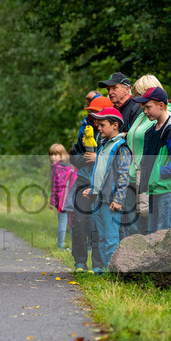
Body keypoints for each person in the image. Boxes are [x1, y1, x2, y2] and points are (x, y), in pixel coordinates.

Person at [121, 74, 171, 236]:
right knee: (132, 226)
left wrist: (158, 172)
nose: (136, 100)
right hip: (132, 174)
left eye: (139, 95)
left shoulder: (164, 116)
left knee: (148, 226)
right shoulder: (142, 115)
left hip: (149, 176)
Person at [82, 107, 132, 273]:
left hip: (110, 201)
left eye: (102, 125)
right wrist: (92, 189)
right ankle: (104, 270)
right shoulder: (103, 146)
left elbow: (124, 175)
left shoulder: (120, 147)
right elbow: (101, 172)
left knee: (111, 239)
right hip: (99, 199)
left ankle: (114, 273)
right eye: (98, 125)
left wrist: (118, 199)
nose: (99, 128)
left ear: (115, 125)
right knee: (101, 238)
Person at [69, 95, 112, 272]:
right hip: (83, 180)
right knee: (79, 222)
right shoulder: (85, 128)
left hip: (102, 184)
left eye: (95, 112)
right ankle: (79, 262)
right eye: (91, 112)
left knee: (97, 224)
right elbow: (73, 156)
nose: (92, 116)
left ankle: (98, 265)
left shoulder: (111, 131)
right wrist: (85, 159)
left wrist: (98, 158)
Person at [135, 87, 171, 234]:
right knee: (153, 232)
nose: (145, 111)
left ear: (161, 105)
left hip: (166, 188)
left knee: (165, 231)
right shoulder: (152, 130)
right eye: (144, 108)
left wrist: (159, 173)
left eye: (148, 107)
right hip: (155, 187)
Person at [49, 143, 75, 249]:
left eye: (56, 155)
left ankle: (60, 246)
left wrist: (53, 202)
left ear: (62, 155)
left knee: (62, 223)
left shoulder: (56, 168)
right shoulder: (70, 166)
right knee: (72, 223)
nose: (53, 157)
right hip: (71, 199)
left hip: (62, 200)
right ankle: (76, 246)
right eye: (51, 155)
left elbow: (56, 187)